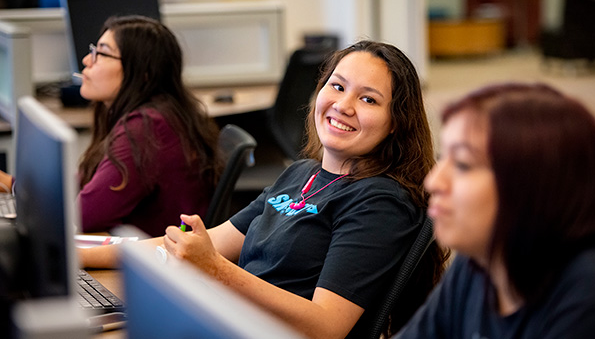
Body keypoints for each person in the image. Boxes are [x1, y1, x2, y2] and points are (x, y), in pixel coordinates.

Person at [80, 40, 450, 339]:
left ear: (395, 124)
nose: (343, 105)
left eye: (368, 99)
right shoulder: (302, 173)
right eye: (336, 86)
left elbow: (325, 326)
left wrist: (215, 270)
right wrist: (75, 257)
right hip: (228, 319)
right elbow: (203, 241)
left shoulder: (381, 203)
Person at [396, 82, 595, 338]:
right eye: (442, 158)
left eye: (463, 164)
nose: (433, 182)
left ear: (535, 185)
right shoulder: (479, 263)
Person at [0, 16, 222, 237]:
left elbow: (82, 217)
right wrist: (12, 183)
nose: (87, 60)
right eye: (93, 50)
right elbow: (83, 184)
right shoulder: (154, 115)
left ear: (143, 73)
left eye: (102, 54)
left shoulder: (146, 129)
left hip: (147, 262)